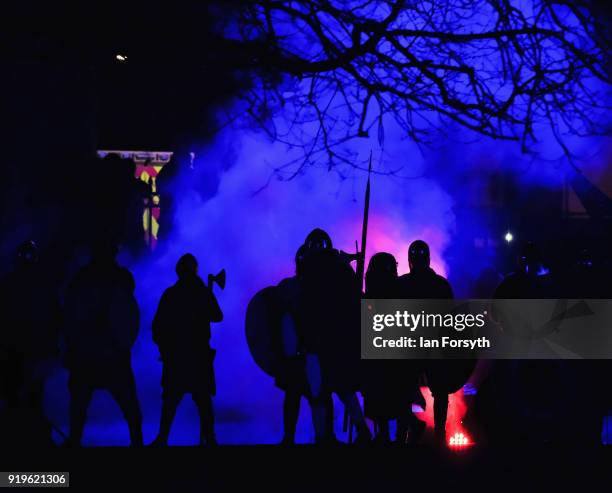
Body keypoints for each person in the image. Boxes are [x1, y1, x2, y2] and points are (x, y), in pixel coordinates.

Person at [63, 239, 142, 447]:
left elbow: (72, 313)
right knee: (126, 405)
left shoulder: (86, 279)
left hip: (96, 352)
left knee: (82, 403)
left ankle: (75, 441)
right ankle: (137, 443)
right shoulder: (116, 278)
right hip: (103, 352)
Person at [296, 228, 371, 444]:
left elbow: (353, 300)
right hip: (330, 341)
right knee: (336, 390)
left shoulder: (312, 271)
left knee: (325, 392)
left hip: (325, 342)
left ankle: (328, 436)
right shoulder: (334, 268)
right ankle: (336, 434)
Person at [397, 240, 474, 444]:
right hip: (430, 347)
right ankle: (437, 433)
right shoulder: (440, 284)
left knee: (406, 389)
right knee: (436, 391)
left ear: (410, 260)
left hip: (416, 347)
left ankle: (404, 433)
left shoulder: (403, 284)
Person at [151, 253, 223, 446]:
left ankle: (165, 438)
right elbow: (217, 315)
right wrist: (207, 295)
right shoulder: (197, 293)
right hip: (192, 354)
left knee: (175, 399)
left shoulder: (172, 294)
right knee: (197, 400)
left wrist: (165, 349)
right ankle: (208, 438)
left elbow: (157, 327)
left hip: (180, 355)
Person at [0, 240, 61, 447]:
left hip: (32, 349)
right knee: (14, 395)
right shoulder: (12, 284)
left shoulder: (40, 286)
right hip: (17, 349)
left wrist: (51, 345)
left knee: (32, 395)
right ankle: (16, 438)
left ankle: (31, 439)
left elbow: (54, 317)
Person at [362, 252, 425, 444]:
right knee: (394, 396)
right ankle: (395, 435)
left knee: (389, 395)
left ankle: (391, 435)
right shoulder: (399, 291)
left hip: (389, 355)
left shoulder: (382, 294)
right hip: (391, 355)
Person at [275, 245, 335, 444]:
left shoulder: (293, 287)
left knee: (315, 396)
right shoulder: (303, 288)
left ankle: (321, 437)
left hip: (308, 352)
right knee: (313, 396)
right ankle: (320, 437)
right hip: (305, 351)